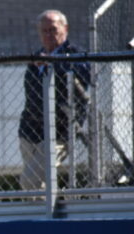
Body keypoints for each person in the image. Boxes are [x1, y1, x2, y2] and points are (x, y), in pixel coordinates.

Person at [18, 9, 91, 190]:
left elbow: (82, 76)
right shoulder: (35, 59)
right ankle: (47, 216)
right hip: (30, 131)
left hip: (59, 132)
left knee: (29, 180)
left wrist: (53, 64)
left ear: (65, 29)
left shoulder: (75, 54)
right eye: (44, 31)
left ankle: (50, 211)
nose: (49, 35)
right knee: (38, 187)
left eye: (53, 30)